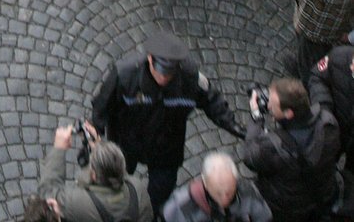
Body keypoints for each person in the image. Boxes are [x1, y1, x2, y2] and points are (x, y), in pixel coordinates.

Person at [91, 29, 244, 217]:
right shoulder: (124, 74)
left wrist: (236, 127)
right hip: (126, 143)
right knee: (115, 186)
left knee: (159, 196)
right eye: (160, 71)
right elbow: (101, 107)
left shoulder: (192, 79)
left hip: (166, 148)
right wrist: (94, 138)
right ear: (149, 59)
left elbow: (213, 102)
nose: (164, 78)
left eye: (169, 74)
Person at [243, 77, 340, 222]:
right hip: (322, 194)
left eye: (272, 104)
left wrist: (257, 117)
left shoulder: (274, 146)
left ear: (288, 113)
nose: (268, 106)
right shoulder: (328, 123)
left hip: (287, 208)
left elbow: (250, 156)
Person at [37, 125, 149, 222]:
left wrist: (59, 148)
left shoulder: (78, 202)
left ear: (94, 175)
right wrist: (100, 148)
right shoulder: (138, 188)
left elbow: (47, 193)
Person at [161, 153, 271, 222]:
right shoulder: (180, 205)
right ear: (204, 182)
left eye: (229, 192)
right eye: (218, 193)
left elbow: (263, 216)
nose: (224, 199)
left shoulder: (248, 191)